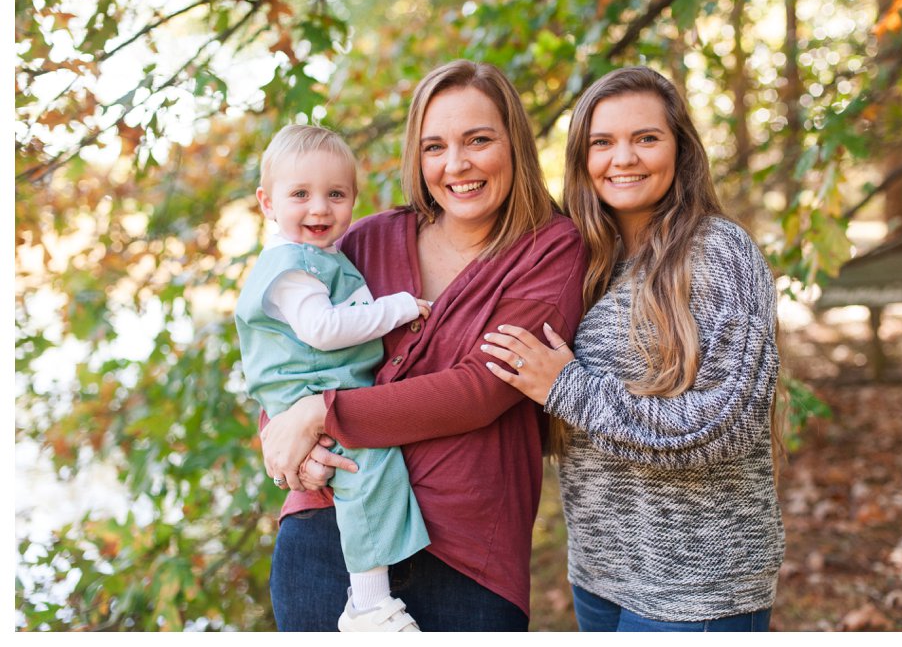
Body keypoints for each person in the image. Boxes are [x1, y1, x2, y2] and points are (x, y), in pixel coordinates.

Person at [257, 60, 588, 631]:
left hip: (463, 554)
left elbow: (482, 387)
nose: (456, 165)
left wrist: (322, 412)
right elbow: (288, 352)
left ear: (515, 145)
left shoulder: (551, 251)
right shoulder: (364, 240)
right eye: (434, 146)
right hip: (328, 532)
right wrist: (285, 439)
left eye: (478, 140)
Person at [481, 66, 785, 632]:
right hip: (599, 576)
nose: (623, 158)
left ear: (680, 149)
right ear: (582, 158)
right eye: (603, 142)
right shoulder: (583, 259)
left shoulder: (718, 251)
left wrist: (568, 389)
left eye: (646, 138)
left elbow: (726, 426)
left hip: (697, 585)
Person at [235, 124, 432, 631]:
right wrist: (398, 308)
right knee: (365, 467)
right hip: (305, 385)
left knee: (364, 464)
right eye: (300, 194)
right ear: (267, 202)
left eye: (335, 194)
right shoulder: (293, 268)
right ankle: (367, 602)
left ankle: (370, 597)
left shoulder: (321, 258)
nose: (320, 208)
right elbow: (321, 330)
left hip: (315, 388)